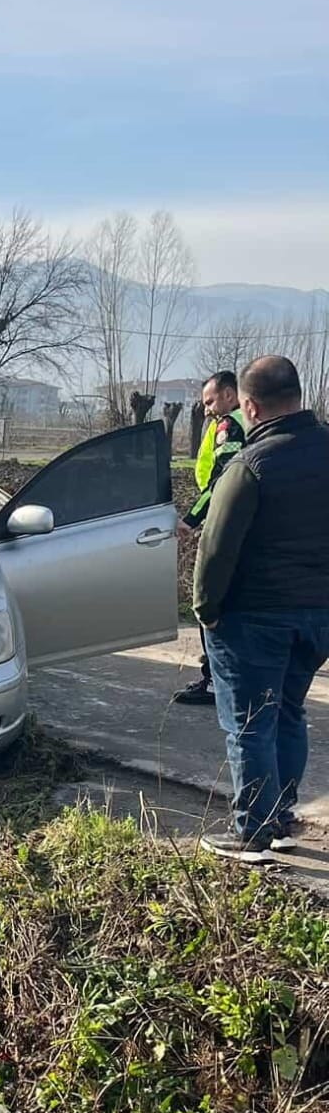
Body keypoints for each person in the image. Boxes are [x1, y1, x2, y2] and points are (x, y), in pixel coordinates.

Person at [194, 355, 329, 863]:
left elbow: (216, 549)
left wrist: (207, 612)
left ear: (249, 405)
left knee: (250, 723)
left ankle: (253, 832)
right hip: (319, 617)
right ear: (297, 394)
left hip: (255, 618)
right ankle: (282, 817)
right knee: (289, 714)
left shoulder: (251, 464)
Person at [173, 370, 247, 705]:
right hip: (242, 523)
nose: (206, 409)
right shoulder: (247, 421)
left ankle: (216, 682)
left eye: (210, 401)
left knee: (210, 600)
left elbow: (222, 480)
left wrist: (190, 519)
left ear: (230, 395)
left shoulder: (230, 425)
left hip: (224, 520)